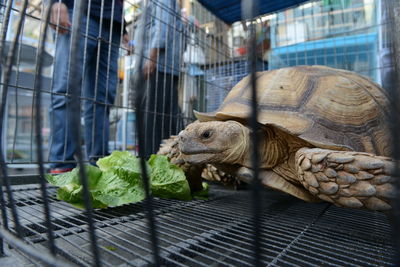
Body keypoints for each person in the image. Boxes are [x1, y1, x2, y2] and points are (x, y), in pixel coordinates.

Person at [48, 0, 129, 173]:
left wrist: (122, 27)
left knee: (102, 99)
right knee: (66, 91)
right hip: (78, 11)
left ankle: (99, 164)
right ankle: (62, 165)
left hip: (112, 24)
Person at [136, 0, 184, 158]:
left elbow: (163, 28)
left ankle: (150, 158)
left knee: (153, 117)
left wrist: (152, 57)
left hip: (159, 65)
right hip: (166, 66)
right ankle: (172, 156)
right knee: (167, 116)